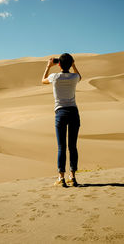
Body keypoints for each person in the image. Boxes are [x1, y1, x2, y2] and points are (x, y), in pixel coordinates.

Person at [41, 53, 81, 187]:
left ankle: (61, 177)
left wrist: (48, 66)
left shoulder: (55, 77)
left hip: (61, 113)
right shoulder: (74, 77)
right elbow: (80, 76)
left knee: (61, 147)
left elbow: (43, 80)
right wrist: (74, 65)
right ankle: (73, 177)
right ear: (70, 63)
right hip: (74, 112)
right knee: (72, 147)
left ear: (59, 64)